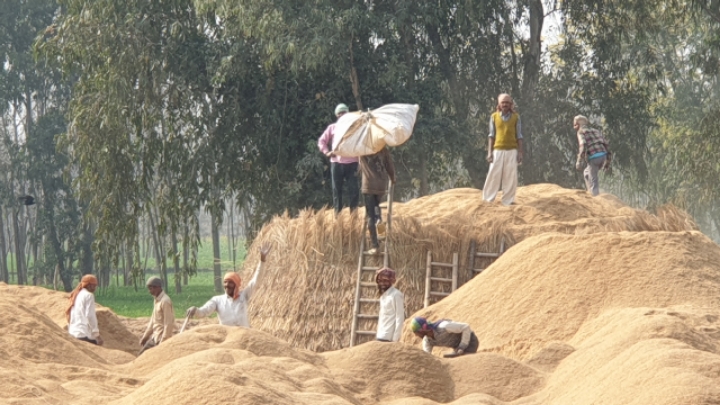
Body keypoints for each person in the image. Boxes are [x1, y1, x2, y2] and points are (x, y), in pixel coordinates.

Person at [186, 243, 272, 327]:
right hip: (227, 335)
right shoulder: (217, 300)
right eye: (225, 282)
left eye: (230, 282)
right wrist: (195, 310)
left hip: (244, 334)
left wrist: (262, 261)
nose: (227, 285)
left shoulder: (244, 295)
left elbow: (256, 280)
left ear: (236, 284)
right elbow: (204, 312)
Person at [318, 103, 360, 213]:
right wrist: (327, 152)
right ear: (337, 115)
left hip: (352, 163)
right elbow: (321, 141)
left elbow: (360, 144)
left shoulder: (354, 128)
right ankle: (338, 217)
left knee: (354, 191)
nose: (342, 115)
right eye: (340, 113)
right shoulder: (333, 128)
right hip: (336, 163)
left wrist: (360, 162)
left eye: (344, 113)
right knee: (337, 191)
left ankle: (354, 216)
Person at [483, 93, 524, 206]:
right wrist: (489, 152)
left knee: (510, 175)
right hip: (497, 150)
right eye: (503, 102)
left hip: (512, 150)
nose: (505, 104)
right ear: (499, 104)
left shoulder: (516, 117)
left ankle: (507, 201)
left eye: (507, 102)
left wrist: (520, 152)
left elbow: (519, 136)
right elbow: (491, 135)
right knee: (493, 174)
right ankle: (487, 200)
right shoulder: (494, 117)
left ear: (511, 104)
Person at [360, 147, 395, 255]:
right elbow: (389, 165)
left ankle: (375, 246)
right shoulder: (382, 148)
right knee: (376, 208)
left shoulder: (362, 148)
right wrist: (393, 178)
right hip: (381, 185)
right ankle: (380, 227)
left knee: (370, 216)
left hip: (369, 185)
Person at [574, 115, 612, 196]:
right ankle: (590, 192)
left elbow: (583, 145)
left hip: (594, 158)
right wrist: (607, 162)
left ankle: (595, 196)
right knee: (586, 173)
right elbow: (606, 144)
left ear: (577, 124)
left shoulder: (580, 132)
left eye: (574, 124)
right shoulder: (595, 130)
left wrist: (579, 161)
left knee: (594, 179)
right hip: (603, 156)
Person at [138, 276, 175, 355]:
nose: (150, 291)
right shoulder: (156, 300)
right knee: (141, 356)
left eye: (151, 289)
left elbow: (168, 324)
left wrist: (163, 342)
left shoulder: (165, 301)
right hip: (155, 337)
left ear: (158, 287)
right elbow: (153, 321)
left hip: (160, 339)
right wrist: (145, 337)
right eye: (149, 289)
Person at [410, 316, 478, 357]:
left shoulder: (443, 326)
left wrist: (462, 346)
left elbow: (465, 327)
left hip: (470, 341)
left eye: (416, 332)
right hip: (457, 349)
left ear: (422, 329)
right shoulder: (427, 341)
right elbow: (427, 356)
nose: (416, 335)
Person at [66, 274, 104, 346]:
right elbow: (90, 315)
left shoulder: (77, 294)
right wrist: (97, 335)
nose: (95, 288)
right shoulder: (89, 295)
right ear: (88, 285)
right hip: (82, 333)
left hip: (73, 332)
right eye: (94, 285)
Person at [375, 267, 404, 342]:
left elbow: (400, 317)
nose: (382, 283)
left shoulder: (396, 295)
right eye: (380, 281)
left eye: (385, 281)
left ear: (391, 281)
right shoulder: (382, 296)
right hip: (380, 335)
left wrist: (395, 338)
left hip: (389, 337)